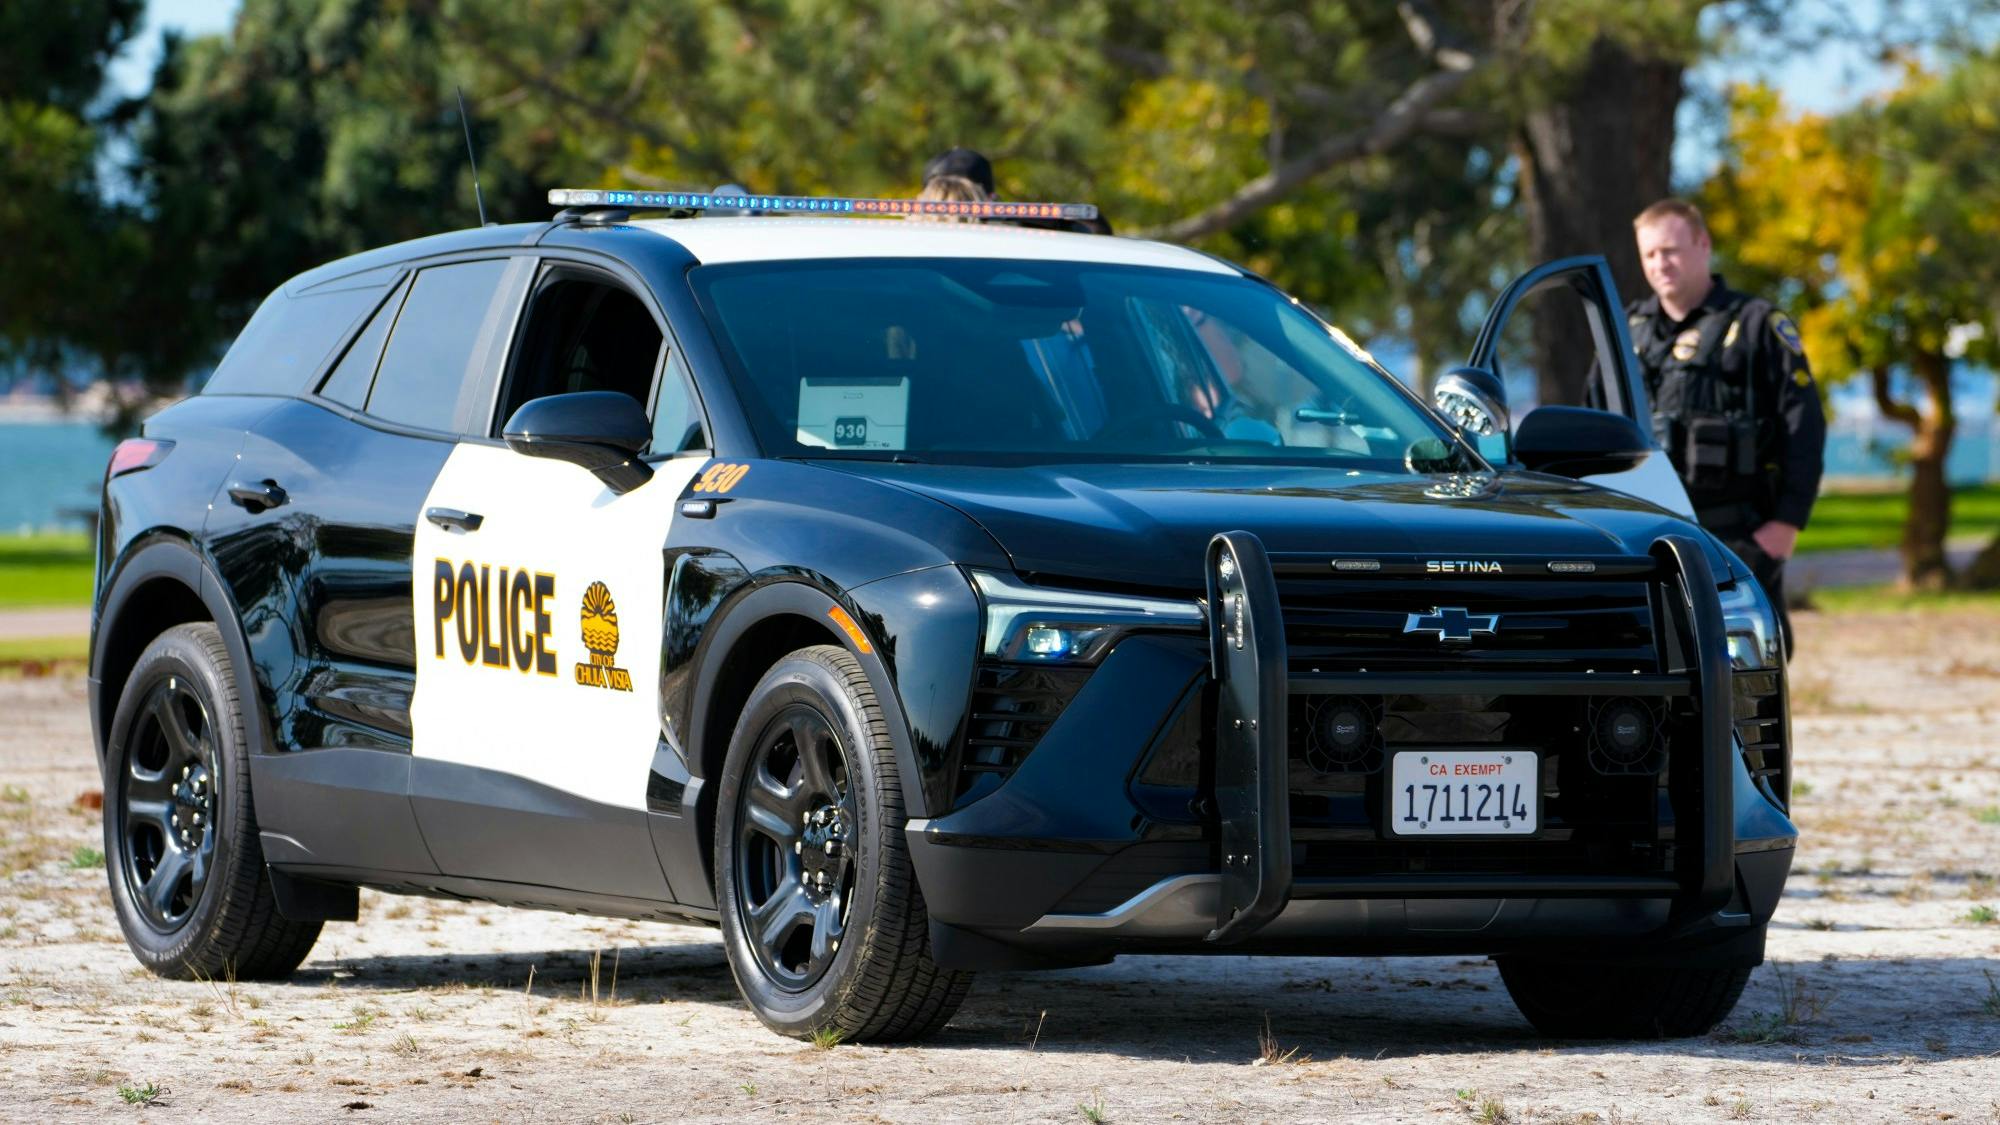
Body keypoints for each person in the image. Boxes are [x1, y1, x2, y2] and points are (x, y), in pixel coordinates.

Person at [1626, 198, 1825, 648]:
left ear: (1702, 244)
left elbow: (1804, 430)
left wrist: (1785, 527)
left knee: (1749, 667)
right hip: (1646, 539)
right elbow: (1592, 424)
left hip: (1737, 537)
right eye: (1650, 254)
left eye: (1671, 250)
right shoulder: (1627, 333)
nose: (1661, 264)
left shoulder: (1757, 325)